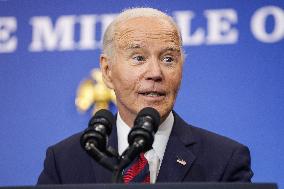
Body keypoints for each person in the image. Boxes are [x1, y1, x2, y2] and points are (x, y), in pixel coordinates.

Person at [37, 7, 253, 184]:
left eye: (168, 59)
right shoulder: (64, 160)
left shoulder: (225, 160)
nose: (156, 73)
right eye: (139, 58)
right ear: (107, 71)